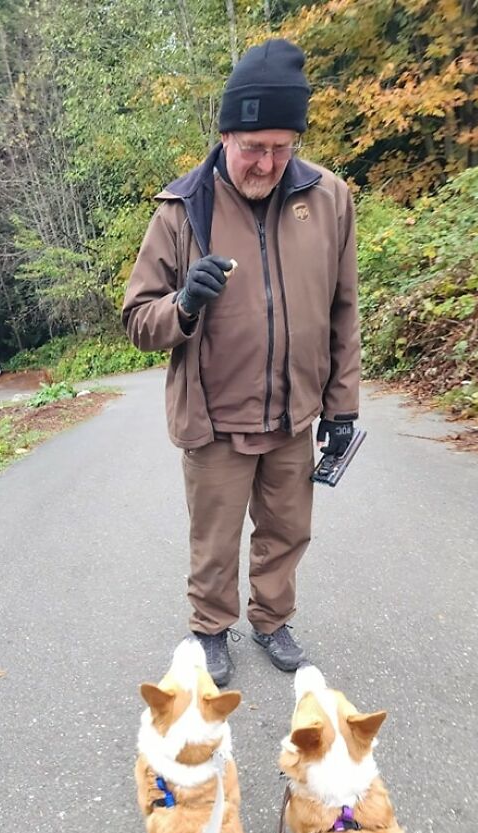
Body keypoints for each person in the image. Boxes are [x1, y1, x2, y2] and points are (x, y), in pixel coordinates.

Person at [122, 38, 360, 686]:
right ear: (225, 133)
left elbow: (343, 310)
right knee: (215, 540)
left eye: (282, 147)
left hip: (292, 417)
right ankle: (210, 628)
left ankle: (272, 619)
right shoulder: (183, 209)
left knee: (286, 530)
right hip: (216, 421)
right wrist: (183, 305)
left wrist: (343, 409)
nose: (268, 162)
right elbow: (138, 320)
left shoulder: (330, 199)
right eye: (253, 147)